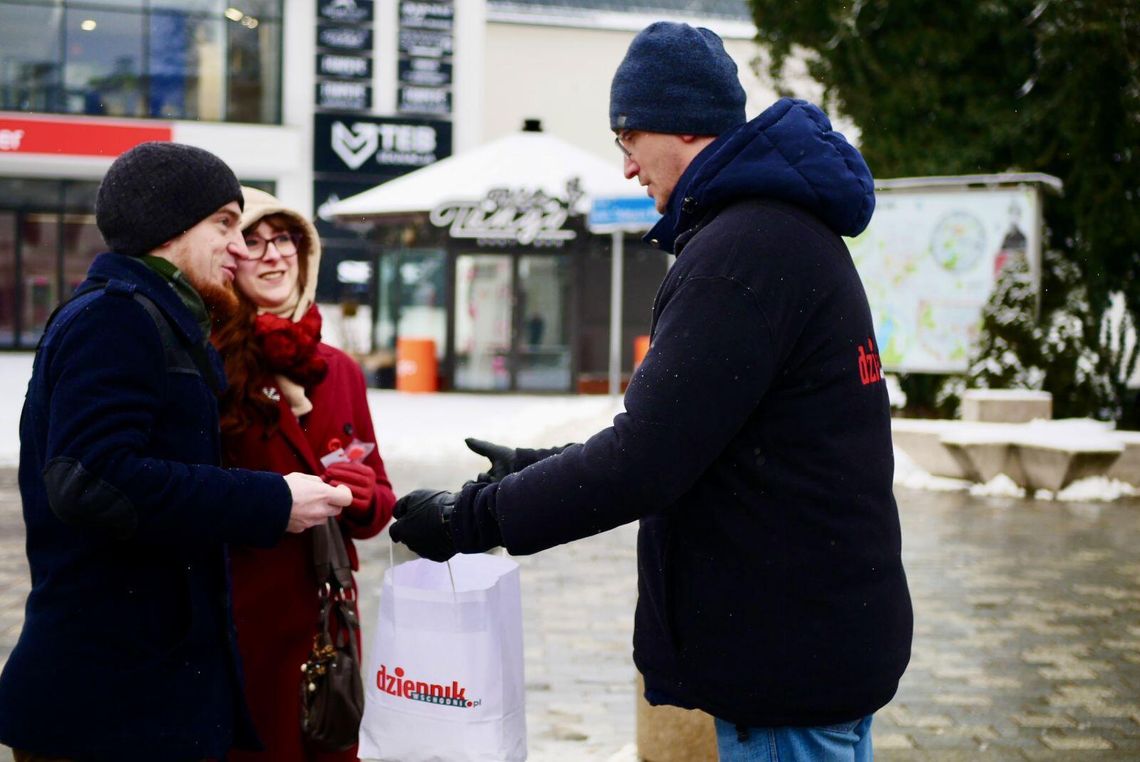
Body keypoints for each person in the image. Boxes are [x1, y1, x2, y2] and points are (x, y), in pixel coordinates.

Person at [389, 21, 913, 762]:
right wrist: (535, 466)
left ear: (684, 128)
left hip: (787, 656)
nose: (627, 166)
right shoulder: (772, 235)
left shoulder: (744, 252)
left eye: (628, 136)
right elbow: (700, 436)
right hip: (815, 636)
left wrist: (471, 518)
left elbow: (648, 460)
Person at [0, 142, 352, 762]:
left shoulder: (158, 317)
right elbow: (92, 478)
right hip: (107, 709)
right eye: (224, 223)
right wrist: (272, 499)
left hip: (146, 698)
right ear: (169, 225)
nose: (240, 247)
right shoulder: (116, 318)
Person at [213, 187, 397, 762]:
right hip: (244, 612)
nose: (273, 256)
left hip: (325, 615)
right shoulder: (209, 359)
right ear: (229, 258)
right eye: (254, 241)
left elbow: (380, 502)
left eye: (286, 239)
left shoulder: (338, 369)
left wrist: (365, 496)